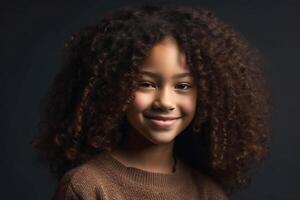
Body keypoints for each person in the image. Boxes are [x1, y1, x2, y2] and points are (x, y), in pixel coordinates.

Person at [32, 4, 272, 200]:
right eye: (146, 84)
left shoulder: (209, 193)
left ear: (208, 96)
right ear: (114, 89)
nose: (165, 101)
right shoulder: (88, 186)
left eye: (183, 86)